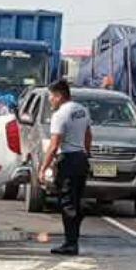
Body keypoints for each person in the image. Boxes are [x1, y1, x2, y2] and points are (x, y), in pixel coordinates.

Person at [37, 80, 93, 256]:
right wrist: (86, 153)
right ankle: (75, 230)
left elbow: (54, 145)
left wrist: (43, 168)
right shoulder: (82, 110)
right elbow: (88, 134)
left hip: (68, 158)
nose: (50, 101)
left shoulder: (60, 115)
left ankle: (71, 243)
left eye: (51, 97)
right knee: (75, 199)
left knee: (67, 203)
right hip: (81, 158)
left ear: (59, 96)